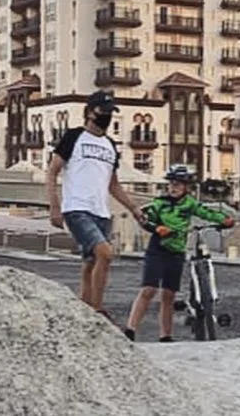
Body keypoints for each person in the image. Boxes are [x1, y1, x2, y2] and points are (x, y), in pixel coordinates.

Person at [46, 90, 145, 319]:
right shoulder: (74, 136)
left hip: (101, 211)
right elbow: (52, 172)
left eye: (111, 113)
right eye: (103, 112)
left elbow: (114, 185)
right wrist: (54, 206)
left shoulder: (111, 145)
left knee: (91, 261)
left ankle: (85, 306)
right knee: (105, 253)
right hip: (77, 208)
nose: (107, 117)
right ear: (90, 112)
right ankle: (98, 309)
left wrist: (135, 208)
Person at [123, 164, 234, 343]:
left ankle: (165, 335)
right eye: (171, 184)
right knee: (149, 289)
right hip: (158, 248)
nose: (173, 188)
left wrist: (225, 220)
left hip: (177, 252)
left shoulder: (190, 203)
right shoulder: (160, 203)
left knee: (169, 294)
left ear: (186, 187)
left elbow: (206, 212)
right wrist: (157, 228)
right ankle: (130, 329)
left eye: (178, 184)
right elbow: (145, 219)